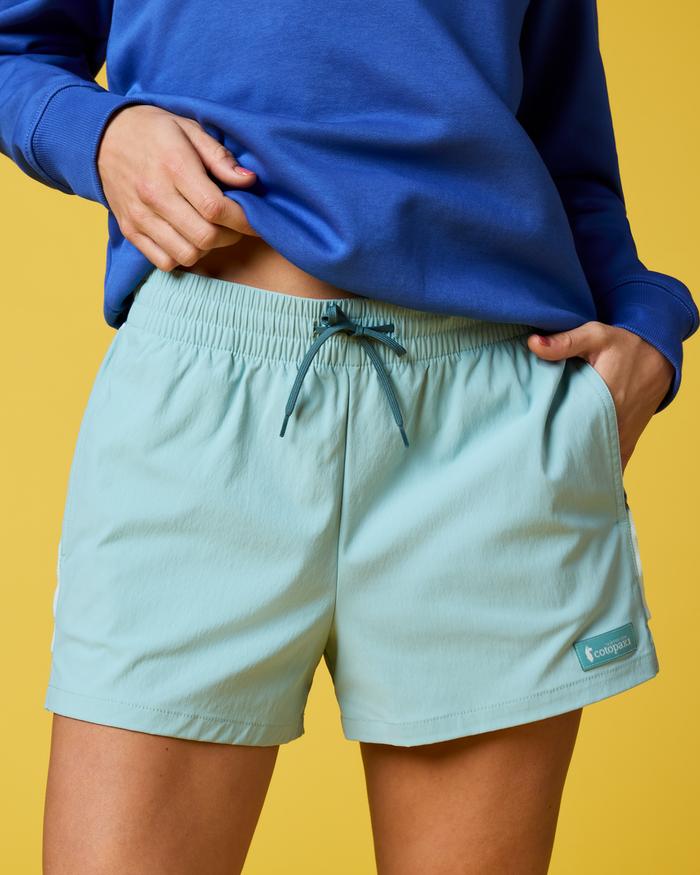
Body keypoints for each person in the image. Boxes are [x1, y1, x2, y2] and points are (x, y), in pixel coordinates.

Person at [1, 1, 696, 872]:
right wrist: (99, 135)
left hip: (489, 427)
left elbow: (566, 151)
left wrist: (645, 325)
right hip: (205, 402)